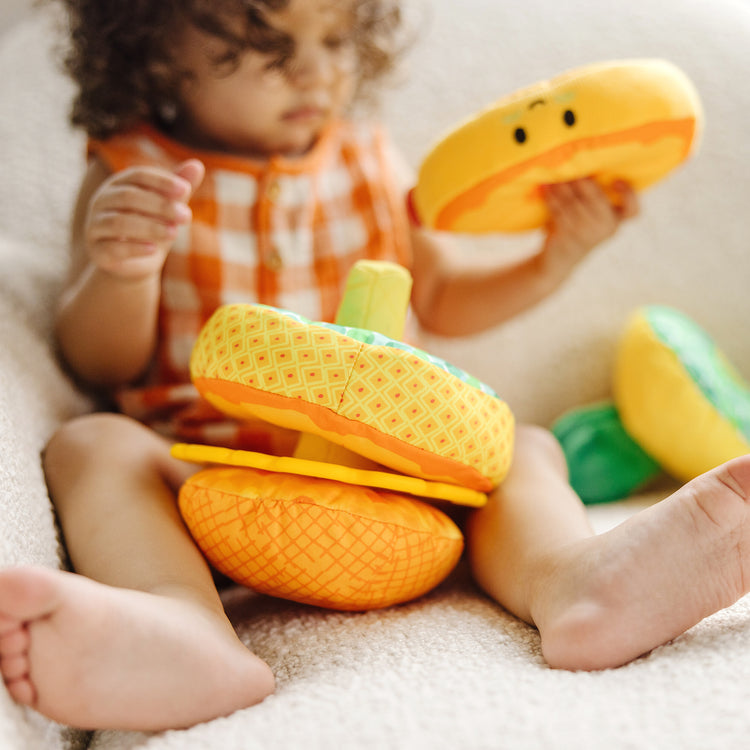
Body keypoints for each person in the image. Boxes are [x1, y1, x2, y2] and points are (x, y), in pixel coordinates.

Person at [0, 0, 749, 733]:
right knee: (93, 445)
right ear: (153, 43)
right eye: (267, 42)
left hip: (393, 481)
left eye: (334, 39)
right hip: (204, 477)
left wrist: (557, 255)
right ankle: (184, 625)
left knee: (523, 448)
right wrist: (123, 269)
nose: (314, 74)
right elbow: (97, 359)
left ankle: (572, 581)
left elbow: (447, 296)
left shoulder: (366, 160)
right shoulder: (132, 174)